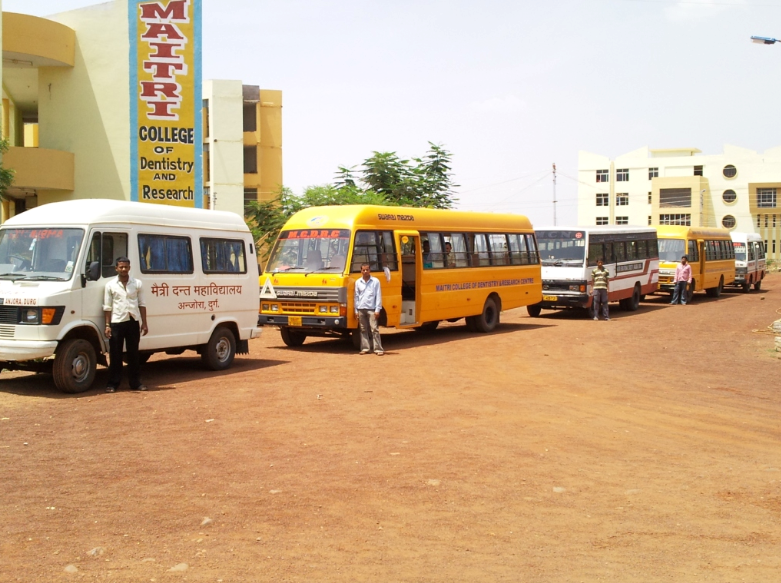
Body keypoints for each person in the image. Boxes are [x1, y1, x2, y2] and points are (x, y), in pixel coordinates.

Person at [103, 257, 149, 392]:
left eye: (126, 267)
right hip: (117, 323)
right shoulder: (110, 285)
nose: (123, 269)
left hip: (133, 322)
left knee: (133, 354)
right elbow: (107, 307)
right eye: (121, 267)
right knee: (115, 354)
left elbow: (142, 304)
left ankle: (135, 383)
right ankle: (113, 384)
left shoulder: (136, 284)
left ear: (129, 268)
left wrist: (144, 323)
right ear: (116, 268)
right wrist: (107, 325)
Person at [354, 262, 384, 355]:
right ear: (361, 271)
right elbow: (356, 297)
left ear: (370, 270)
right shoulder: (358, 282)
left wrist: (377, 310)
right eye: (364, 270)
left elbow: (378, 296)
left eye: (367, 269)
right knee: (363, 329)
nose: (365, 271)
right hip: (361, 309)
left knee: (374, 329)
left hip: (372, 309)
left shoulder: (375, 281)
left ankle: (378, 349)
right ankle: (365, 348)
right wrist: (356, 310)